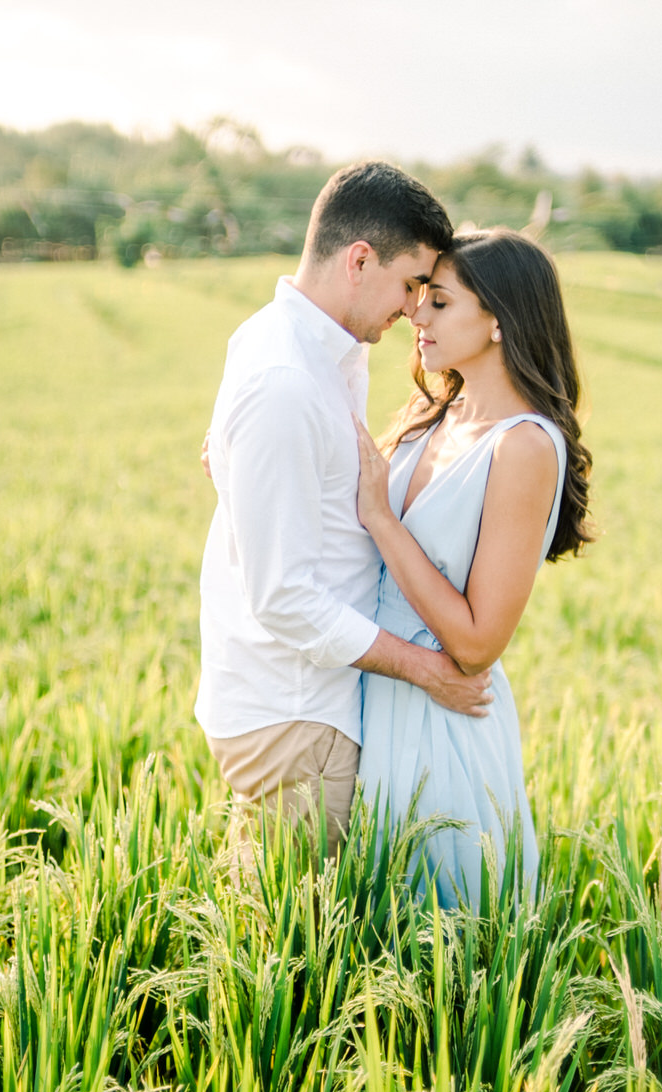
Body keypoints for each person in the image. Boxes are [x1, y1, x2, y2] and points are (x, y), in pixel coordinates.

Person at [195, 162, 493, 864]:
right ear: (359, 259)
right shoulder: (286, 379)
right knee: (294, 952)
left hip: (303, 701)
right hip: (296, 710)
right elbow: (284, 597)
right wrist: (427, 668)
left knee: (283, 926)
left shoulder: (318, 350)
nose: (416, 307)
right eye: (411, 282)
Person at [353, 228, 593, 908]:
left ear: (496, 320)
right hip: (377, 692)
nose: (415, 316)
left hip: (443, 715)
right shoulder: (434, 412)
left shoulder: (523, 447)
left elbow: (479, 640)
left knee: (446, 944)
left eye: (439, 303)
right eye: (419, 299)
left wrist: (382, 519)